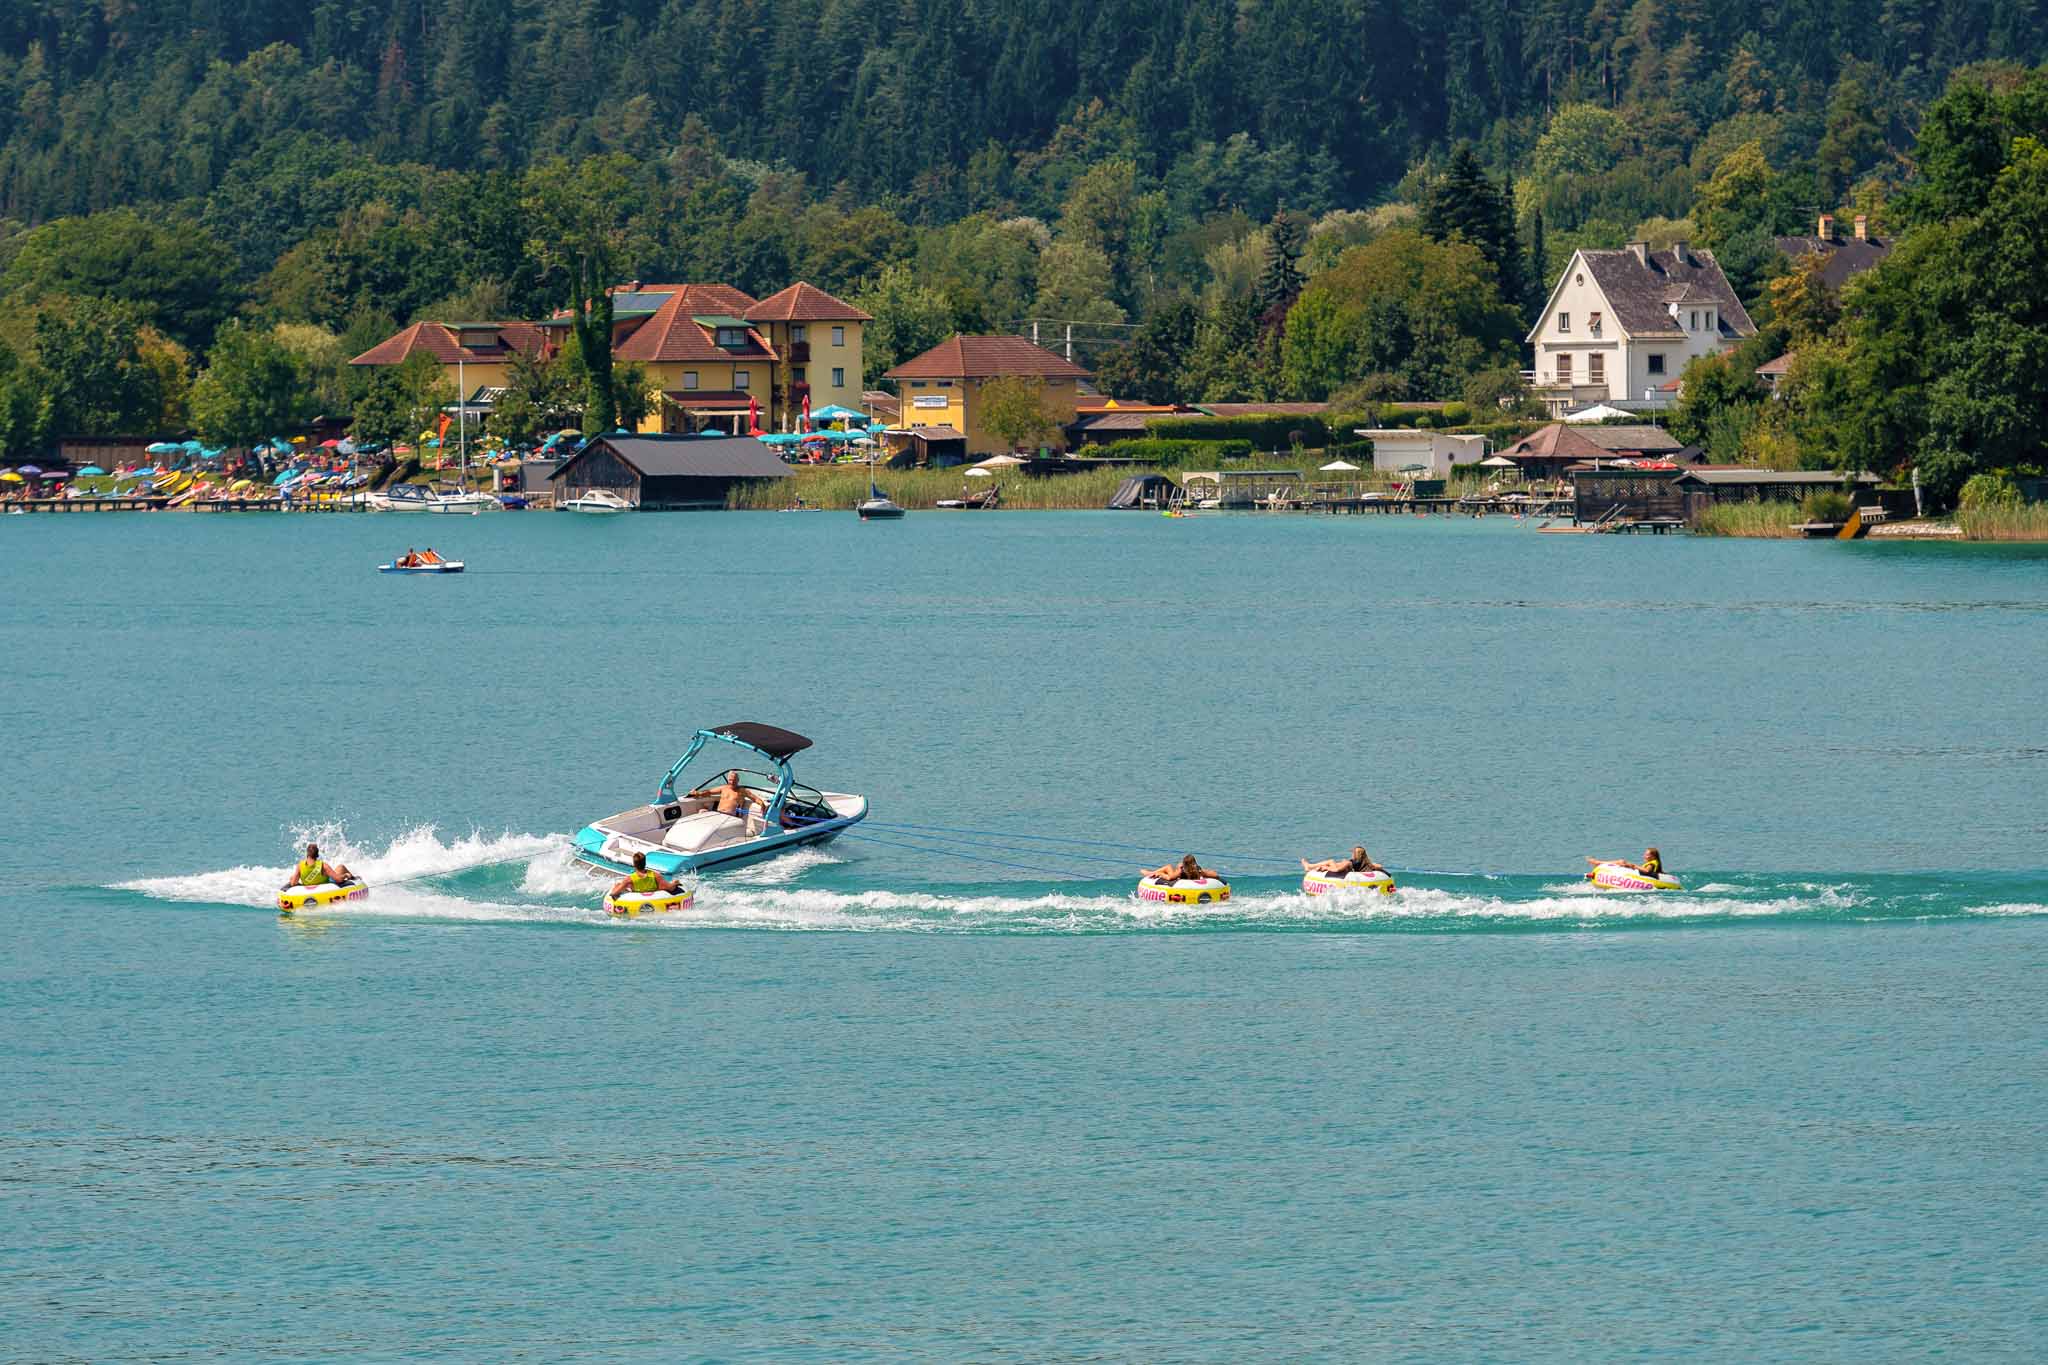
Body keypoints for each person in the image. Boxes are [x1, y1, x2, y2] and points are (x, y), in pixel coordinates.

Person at [610, 851, 680, 903]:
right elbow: (669, 888)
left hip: (636, 900)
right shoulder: (655, 875)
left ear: (634, 864)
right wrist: (675, 883)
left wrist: (617, 887)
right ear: (645, 863)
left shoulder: (629, 879)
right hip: (654, 900)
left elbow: (613, 893)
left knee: (618, 885)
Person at [690, 769, 765, 817]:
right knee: (701, 811)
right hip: (719, 814)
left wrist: (762, 804)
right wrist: (697, 793)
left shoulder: (742, 791)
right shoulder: (723, 788)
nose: (732, 782)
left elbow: (755, 798)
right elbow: (709, 792)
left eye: (734, 780)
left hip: (732, 817)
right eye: (730, 780)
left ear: (738, 780)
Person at [283, 843, 354, 890]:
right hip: (326, 887)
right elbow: (338, 880)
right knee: (341, 867)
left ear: (307, 854)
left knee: (292, 877)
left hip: (307, 888)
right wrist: (346, 875)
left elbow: (293, 883)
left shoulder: (300, 865)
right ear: (317, 855)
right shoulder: (323, 865)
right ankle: (353, 878)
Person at [1303, 846, 1386, 877]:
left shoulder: (1350, 862)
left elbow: (1337, 870)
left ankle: (1310, 866)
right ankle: (1310, 866)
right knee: (1340, 862)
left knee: (1330, 861)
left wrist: (1326, 868)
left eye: (1353, 852)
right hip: (1349, 870)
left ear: (1355, 854)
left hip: (1341, 871)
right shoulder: (1367, 863)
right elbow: (1379, 866)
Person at [1587, 847, 1664, 879]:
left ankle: (1598, 863)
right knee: (1622, 862)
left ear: (1653, 856)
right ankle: (1599, 864)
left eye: (1647, 854)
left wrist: (1633, 866)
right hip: (1641, 875)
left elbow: (1647, 871)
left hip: (1643, 876)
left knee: (1622, 862)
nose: (1644, 856)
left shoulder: (1651, 864)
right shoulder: (1655, 862)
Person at [1143, 853, 1218, 885]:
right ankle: (1151, 873)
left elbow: (1169, 878)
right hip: (1181, 873)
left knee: (1168, 867)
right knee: (1169, 867)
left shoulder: (1183, 871)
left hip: (1180, 873)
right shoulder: (1197, 870)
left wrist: (1160, 874)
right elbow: (1215, 875)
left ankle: (1150, 872)